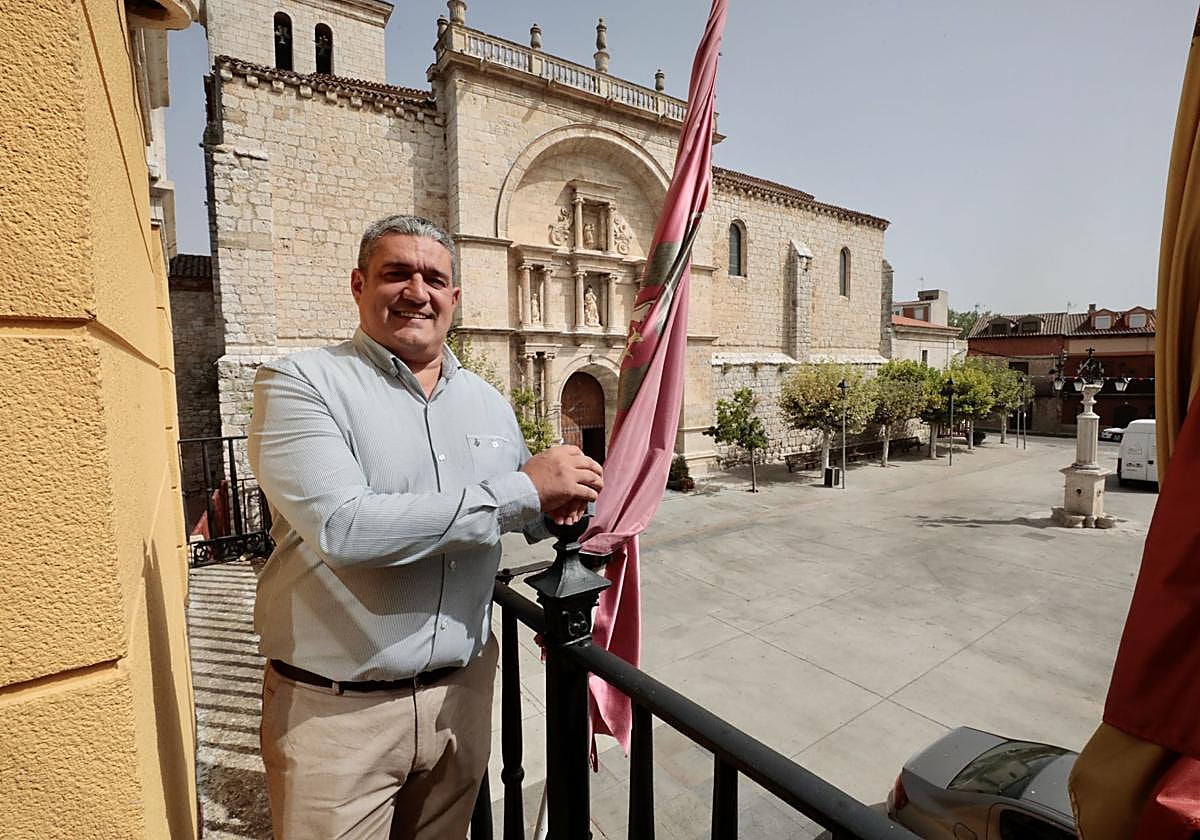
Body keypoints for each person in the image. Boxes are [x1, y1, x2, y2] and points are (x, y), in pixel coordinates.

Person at [247, 214, 603, 839]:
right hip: (338, 716)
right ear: (358, 285)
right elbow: (342, 528)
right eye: (396, 274)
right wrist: (523, 489)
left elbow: (522, 511)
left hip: (460, 701)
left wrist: (571, 503)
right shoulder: (303, 384)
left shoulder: (488, 403)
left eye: (435, 278)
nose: (417, 291)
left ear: (456, 299)